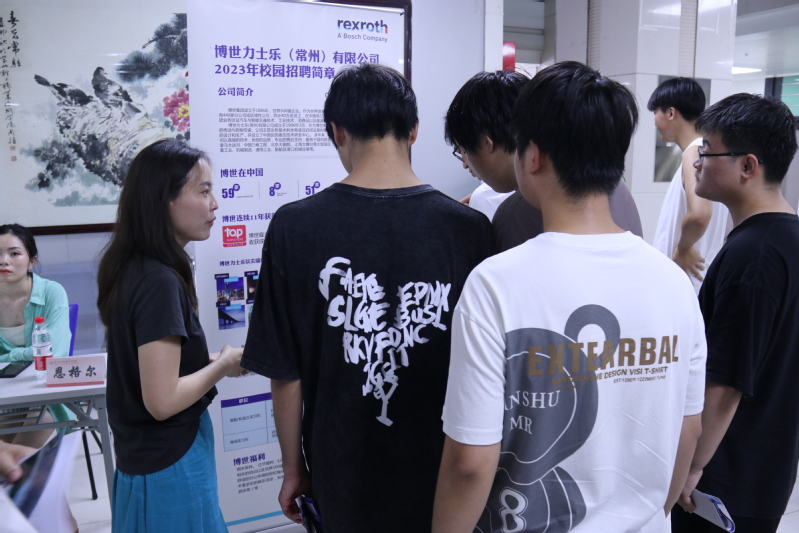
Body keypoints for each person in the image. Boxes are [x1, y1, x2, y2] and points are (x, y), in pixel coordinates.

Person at [432, 61, 706, 533]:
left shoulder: (495, 284)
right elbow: (689, 428)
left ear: (532, 156)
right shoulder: (674, 282)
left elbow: (469, 464)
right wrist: (654, 516)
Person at [242, 63, 494, 533]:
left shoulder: (293, 227)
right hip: (444, 470)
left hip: (340, 471)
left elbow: (286, 374)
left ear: (337, 132)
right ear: (414, 131)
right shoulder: (470, 230)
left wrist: (293, 468)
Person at [97, 139, 245, 532]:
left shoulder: (135, 266)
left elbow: (155, 371)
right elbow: (162, 401)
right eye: (204, 191)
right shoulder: (158, 281)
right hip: (168, 464)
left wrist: (212, 363)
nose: (215, 204)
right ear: (165, 201)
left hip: (152, 458)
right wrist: (225, 363)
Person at [671, 94, 799, 533]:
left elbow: (727, 383)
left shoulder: (753, 256)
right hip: (767, 466)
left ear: (748, 166)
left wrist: (691, 467)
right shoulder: (785, 239)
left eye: (707, 151)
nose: (697, 162)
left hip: (724, 478)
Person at [444, 70, 643, 252]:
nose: (466, 163)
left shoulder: (515, 213)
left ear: (487, 143)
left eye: (463, 150)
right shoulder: (616, 188)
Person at [649, 78, 730, 293]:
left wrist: (683, 249)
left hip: (684, 282)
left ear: (671, 113)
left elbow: (700, 215)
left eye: (655, 112)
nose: (654, 121)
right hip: (696, 282)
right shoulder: (710, 154)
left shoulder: (694, 152)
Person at [0, 223, 72, 447]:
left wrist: (7, 358)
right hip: (5, 397)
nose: (4, 261)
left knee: (16, 458)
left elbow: (53, 352)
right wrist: (28, 354)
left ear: (32, 261)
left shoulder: (52, 292)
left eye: (14, 253)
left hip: (45, 394)